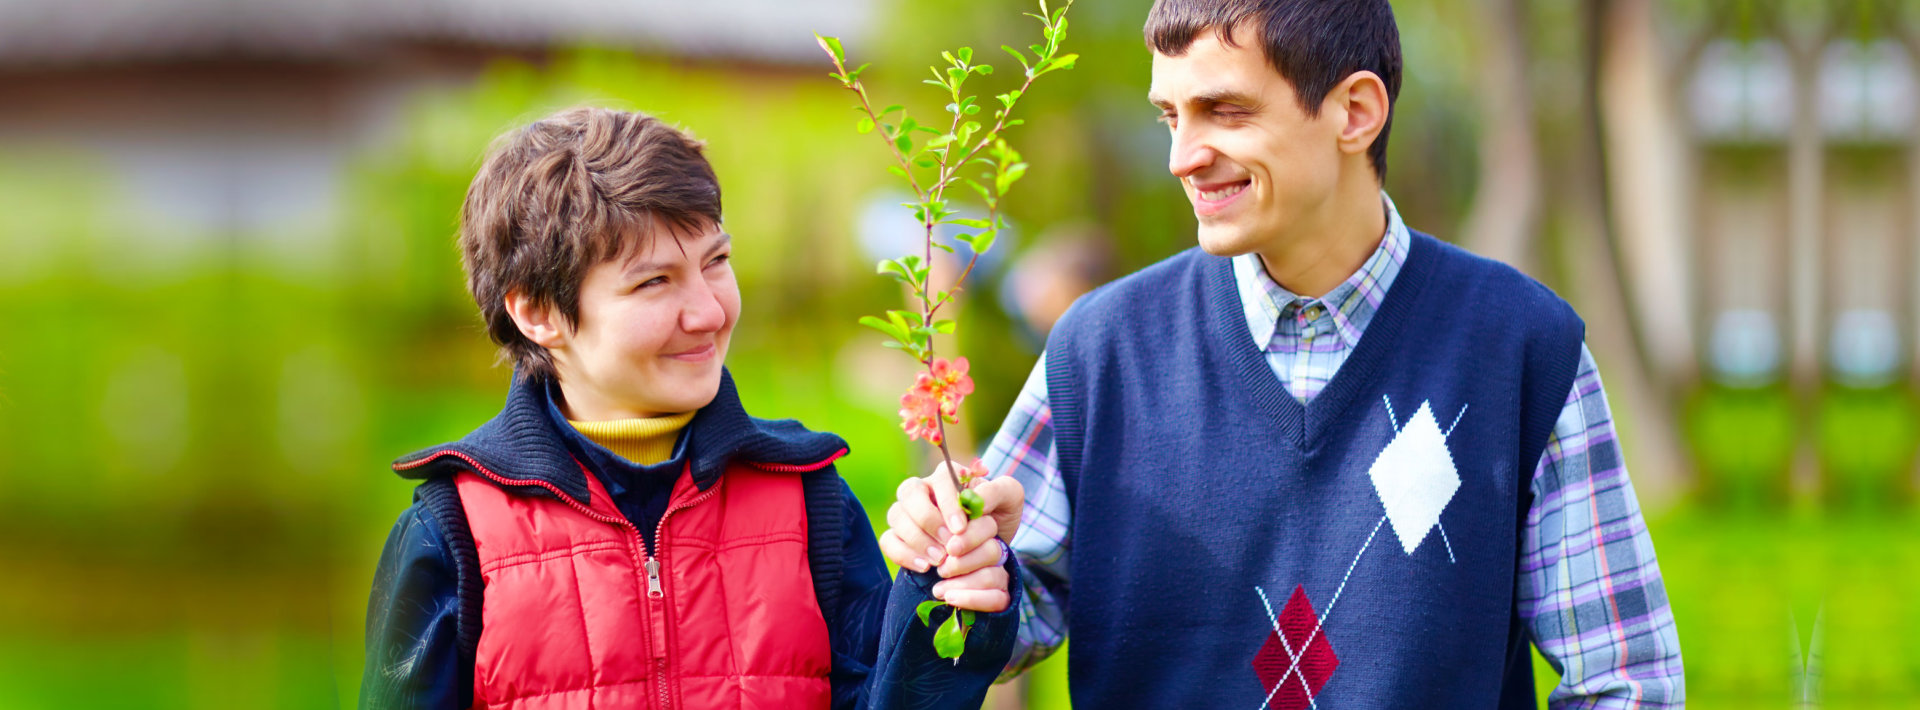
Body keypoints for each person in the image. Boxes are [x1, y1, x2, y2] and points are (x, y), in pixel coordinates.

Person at [880, 1, 1685, 707]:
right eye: (1171, 116)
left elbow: (1626, 679)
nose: (1181, 157)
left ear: (1355, 112)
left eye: (1225, 111)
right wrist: (960, 567)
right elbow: (1002, 624)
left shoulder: (1522, 349)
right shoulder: (1101, 352)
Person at [360, 107, 1021, 710]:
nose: (707, 311)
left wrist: (949, 588)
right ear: (536, 312)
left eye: (717, 261)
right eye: (653, 282)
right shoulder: (453, 532)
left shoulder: (811, 500)